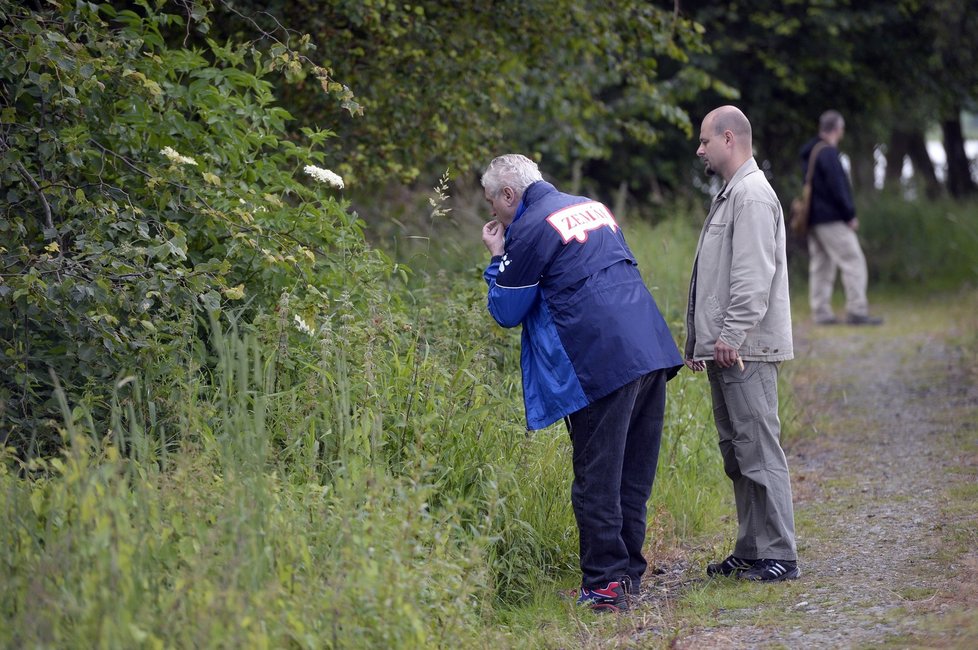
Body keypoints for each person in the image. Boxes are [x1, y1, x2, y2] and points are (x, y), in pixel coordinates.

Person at [479, 154, 683, 612]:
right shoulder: (593, 205)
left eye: (492, 202)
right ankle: (626, 575)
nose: (492, 213)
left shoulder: (529, 227)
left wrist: (497, 256)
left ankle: (605, 585)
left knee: (596, 477)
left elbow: (506, 311)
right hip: (649, 347)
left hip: (601, 360)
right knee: (631, 473)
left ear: (509, 195)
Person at [684, 106, 800, 582]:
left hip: (745, 349)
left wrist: (730, 335)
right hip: (727, 349)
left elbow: (753, 276)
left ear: (728, 139)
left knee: (758, 449)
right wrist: (701, 343)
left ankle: (781, 554)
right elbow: (714, 278)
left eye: (705, 140)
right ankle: (752, 549)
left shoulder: (751, 195)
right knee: (738, 452)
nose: (700, 148)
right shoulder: (731, 194)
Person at [800, 110, 882, 325]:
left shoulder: (812, 151)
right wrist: (850, 215)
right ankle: (857, 310)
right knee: (853, 260)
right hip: (832, 218)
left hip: (813, 219)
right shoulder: (828, 153)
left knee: (821, 264)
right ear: (837, 129)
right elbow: (838, 188)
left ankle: (821, 312)